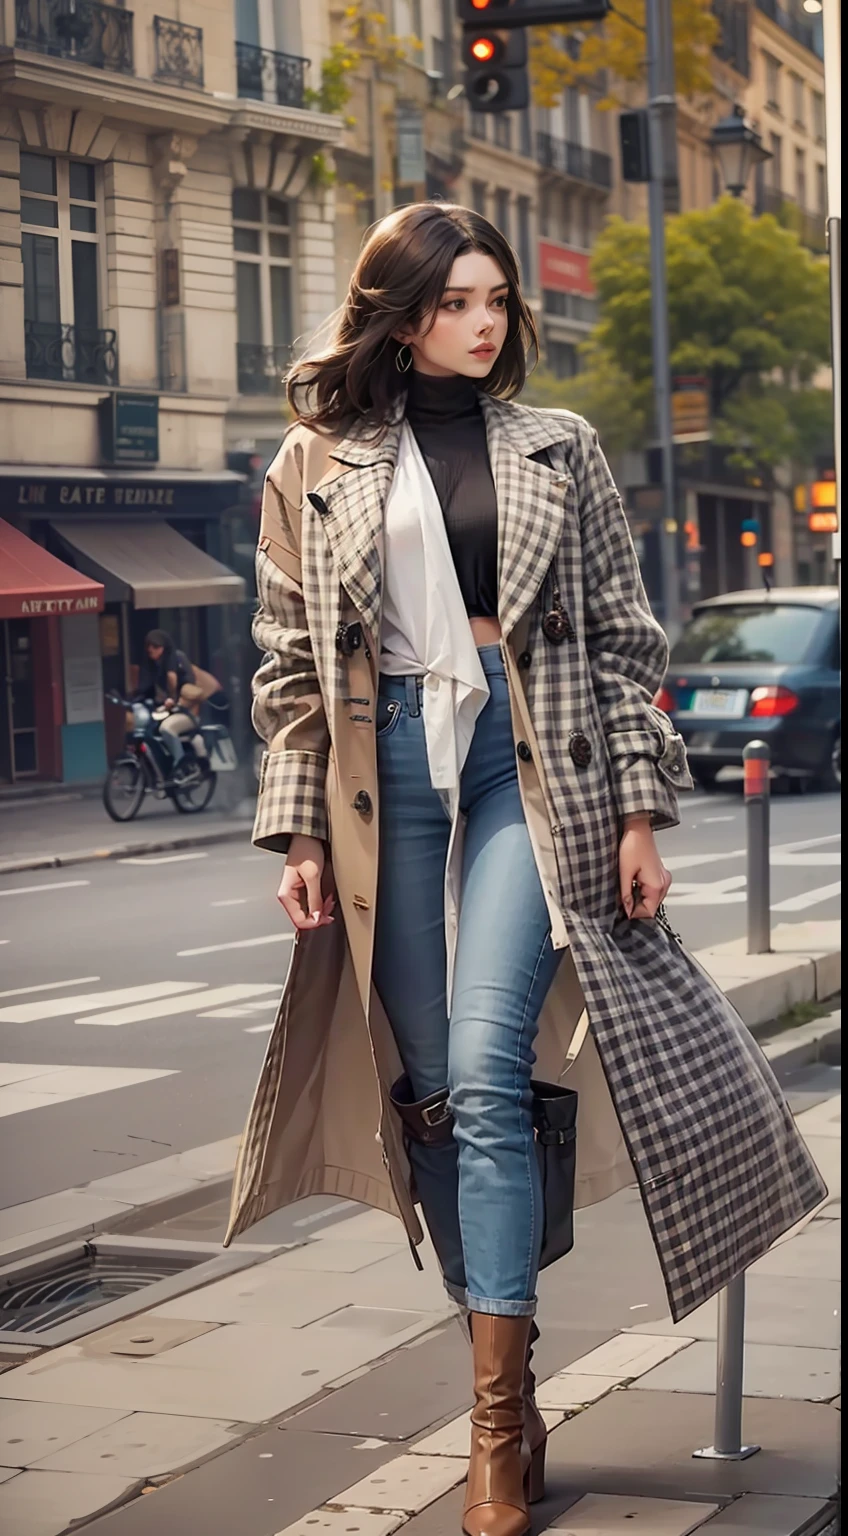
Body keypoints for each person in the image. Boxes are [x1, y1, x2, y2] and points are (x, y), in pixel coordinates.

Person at [226, 204, 826, 1536]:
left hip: (523, 757)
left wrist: (637, 817)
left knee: (495, 1068)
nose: (485, 322)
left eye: (497, 298)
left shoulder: (561, 447)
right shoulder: (315, 459)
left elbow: (621, 640)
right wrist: (303, 832)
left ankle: (496, 1425)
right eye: (454, 302)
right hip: (383, 776)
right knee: (427, 1086)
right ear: (398, 312)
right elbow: (285, 663)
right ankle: (510, 1359)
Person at [135, 631, 206, 773]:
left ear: (163, 647)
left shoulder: (176, 660)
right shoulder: (154, 666)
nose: (151, 650)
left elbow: (184, 688)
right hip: (165, 711)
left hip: (186, 713)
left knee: (166, 729)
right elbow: (147, 687)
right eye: (149, 646)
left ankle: (180, 763)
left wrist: (174, 700)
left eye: (155, 646)